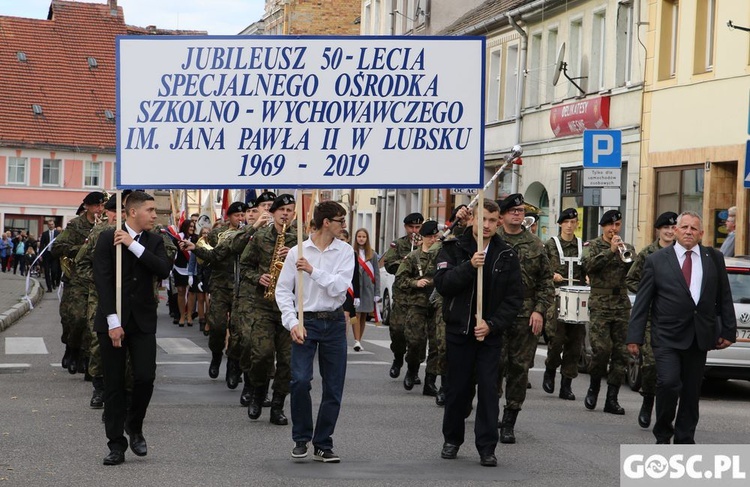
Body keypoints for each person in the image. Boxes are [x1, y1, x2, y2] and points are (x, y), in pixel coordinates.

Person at [627, 211, 735, 444]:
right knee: (668, 382)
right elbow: (643, 301)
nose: (688, 232)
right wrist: (634, 337)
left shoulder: (713, 258)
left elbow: (723, 295)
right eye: (684, 227)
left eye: (693, 229)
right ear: (675, 231)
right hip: (666, 335)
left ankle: (685, 439)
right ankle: (663, 432)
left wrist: (728, 330)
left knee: (690, 392)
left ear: (701, 234)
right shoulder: (656, 260)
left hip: (699, 336)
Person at [435, 199, 523, 467]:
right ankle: (452, 438)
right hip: (459, 332)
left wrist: (493, 324)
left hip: (489, 336)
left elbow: (514, 298)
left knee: (488, 392)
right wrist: (469, 266)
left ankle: (487, 447)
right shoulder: (453, 248)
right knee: (457, 391)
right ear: (472, 218)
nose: (486, 226)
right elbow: (443, 285)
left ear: (498, 222)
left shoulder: (506, 254)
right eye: (482, 219)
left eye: (492, 221)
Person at [94, 191, 172, 465]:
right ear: (132, 212)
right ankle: (116, 444)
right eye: (150, 210)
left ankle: (134, 424)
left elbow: (163, 269)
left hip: (143, 321)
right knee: (113, 384)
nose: (154, 215)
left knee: (145, 377)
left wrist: (132, 245)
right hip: (113, 321)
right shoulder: (107, 238)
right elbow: (102, 282)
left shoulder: (153, 240)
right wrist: (112, 321)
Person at [276, 200, 354, 463]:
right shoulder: (297, 251)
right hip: (305, 320)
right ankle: (301, 438)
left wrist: (313, 270)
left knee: (333, 386)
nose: (344, 225)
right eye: (340, 220)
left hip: (333, 322)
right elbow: (283, 290)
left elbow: (340, 287)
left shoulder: (345, 252)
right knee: (299, 381)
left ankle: (323, 442)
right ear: (326, 222)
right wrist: (292, 322)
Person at [496, 194, 555, 444]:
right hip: (495, 312)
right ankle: (487, 411)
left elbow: (546, 282)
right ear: (502, 215)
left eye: (520, 211)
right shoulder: (491, 239)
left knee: (519, 369)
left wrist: (540, 310)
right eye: (512, 211)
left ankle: (509, 420)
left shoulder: (535, 244)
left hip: (525, 312)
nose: (517, 214)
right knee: (493, 366)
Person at [240, 194, 301, 424]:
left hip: (289, 308)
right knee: (262, 355)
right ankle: (257, 392)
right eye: (282, 209)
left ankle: (277, 406)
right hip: (263, 305)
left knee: (287, 361)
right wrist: (259, 277)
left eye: (290, 210)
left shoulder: (299, 241)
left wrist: (295, 259)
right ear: (273, 212)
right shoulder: (260, 237)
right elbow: (244, 266)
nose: (285, 213)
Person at [625, 211, 677, 429]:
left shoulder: (681, 253)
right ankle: (648, 402)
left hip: (674, 318)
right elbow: (631, 279)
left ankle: (666, 413)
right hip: (650, 317)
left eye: (673, 228)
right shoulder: (648, 253)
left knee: (673, 371)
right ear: (658, 230)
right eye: (665, 228)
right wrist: (650, 293)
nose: (669, 231)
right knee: (651, 364)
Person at [581, 209, 636, 415]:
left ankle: (612, 399)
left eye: (618, 225)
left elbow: (633, 273)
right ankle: (594, 387)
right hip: (600, 304)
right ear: (603, 227)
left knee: (621, 353)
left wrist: (622, 253)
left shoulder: (627, 248)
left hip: (621, 304)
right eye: (610, 225)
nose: (614, 229)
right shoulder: (592, 246)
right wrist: (610, 251)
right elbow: (588, 267)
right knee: (601, 350)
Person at [52, 191, 105, 375]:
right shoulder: (75, 225)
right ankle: (71, 348)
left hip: (97, 278)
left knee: (91, 322)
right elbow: (57, 248)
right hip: (76, 279)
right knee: (75, 318)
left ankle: (85, 357)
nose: (100, 209)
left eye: (102, 205)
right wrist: (82, 249)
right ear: (87, 207)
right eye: (96, 205)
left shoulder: (105, 226)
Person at [542, 208, 587, 401]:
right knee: (557, 340)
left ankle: (566, 384)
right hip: (557, 298)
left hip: (577, 299)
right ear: (561, 224)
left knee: (575, 344)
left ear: (577, 224)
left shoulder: (583, 246)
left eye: (573, 222)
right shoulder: (550, 245)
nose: (570, 226)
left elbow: (588, 266)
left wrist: (587, 275)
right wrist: (552, 275)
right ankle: (550, 370)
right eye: (566, 222)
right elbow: (541, 269)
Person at [395, 220, 442, 395]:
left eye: (435, 236)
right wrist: (415, 282)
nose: (432, 240)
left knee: (437, 344)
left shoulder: (441, 255)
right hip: (417, 305)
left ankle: (430, 381)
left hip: (436, 304)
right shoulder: (413, 257)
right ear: (421, 238)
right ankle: (412, 369)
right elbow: (400, 280)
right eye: (429, 236)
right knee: (415, 341)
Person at [382, 213, 424, 379]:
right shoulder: (398, 244)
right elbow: (390, 265)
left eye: (418, 227)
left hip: (420, 297)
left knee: (417, 338)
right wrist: (408, 260)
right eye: (411, 227)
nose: (414, 231)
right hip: (402, 295)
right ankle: (398, 358)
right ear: (406, 227)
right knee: (397, 332)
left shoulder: (427, 245)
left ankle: (413, 369)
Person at [352, 228, 380, 352]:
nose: (361, 239)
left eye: (364, 236)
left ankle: (360, 339)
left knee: (363, 315)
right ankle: (356, 340)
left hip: (368, 289)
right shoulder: (352, 252)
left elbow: (377, 274)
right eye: (359, 236)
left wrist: (377, 292)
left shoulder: (372, 254)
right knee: (356, 314)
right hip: (356, 288)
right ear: (356, 238)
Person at [173, 219, 196, 326]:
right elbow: (173, 252)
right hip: (180, 267)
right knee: (181, 291)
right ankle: (182, 315)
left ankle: (189, 315)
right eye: (190, 226)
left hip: (192, 268)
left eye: (193, 226)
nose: (191, 228)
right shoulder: (178, 238)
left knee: (191, 292)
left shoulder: (196, 238)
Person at [39, 220, 61, 292]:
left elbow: (60, 244)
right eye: (49, 224)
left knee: (54, 270)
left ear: (54, 225)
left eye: (52, 224)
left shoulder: (58, 233)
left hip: (54, 254)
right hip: (47, 254)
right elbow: (42, 245)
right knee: (47, 271)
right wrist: (40, 255)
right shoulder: (44, 234)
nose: (51, 226)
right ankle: (49, 288)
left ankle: (53, 282)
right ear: (48, 225)